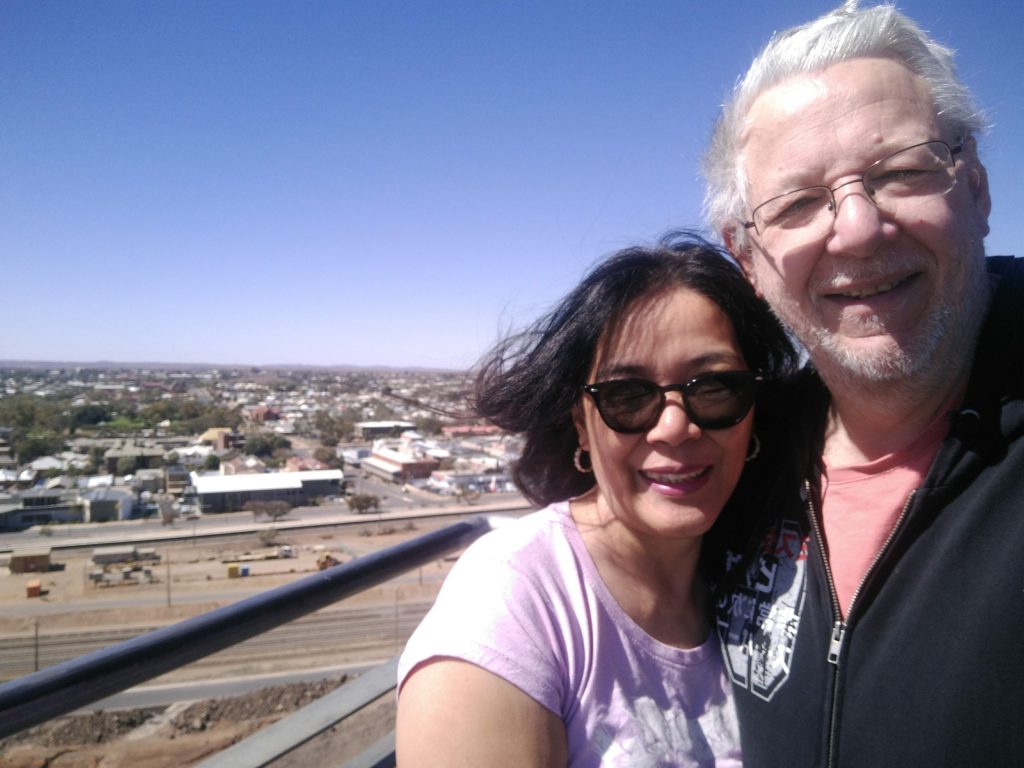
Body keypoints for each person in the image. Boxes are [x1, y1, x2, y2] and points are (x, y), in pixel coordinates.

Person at [702, 2, 1024, 765]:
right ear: (747, 259)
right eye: (800, 202)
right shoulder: (739, 457)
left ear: (975, 189)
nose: (856, 227)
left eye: (900, 172)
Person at [395, 234, 798, 766]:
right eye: (627, 396)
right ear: (582, 428)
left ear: (753, 410)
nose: (674, 427)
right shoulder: (515, 603)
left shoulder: (765, 578)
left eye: (715, 387)